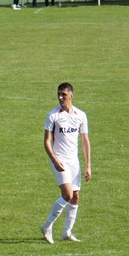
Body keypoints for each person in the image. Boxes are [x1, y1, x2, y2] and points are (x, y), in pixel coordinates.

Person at [40, 82, 91, 244]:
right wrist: (54, 160)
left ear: (71, 95)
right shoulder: (53, 115)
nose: (60, 97)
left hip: (73, 161)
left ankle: (67, 233)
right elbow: (47, 141)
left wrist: (88, 165)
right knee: (67, 195)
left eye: (63, 94)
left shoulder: (80, 115)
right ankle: (47, 226)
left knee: (75, 197)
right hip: (59, 160)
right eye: (58, 94)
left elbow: (85, 141)